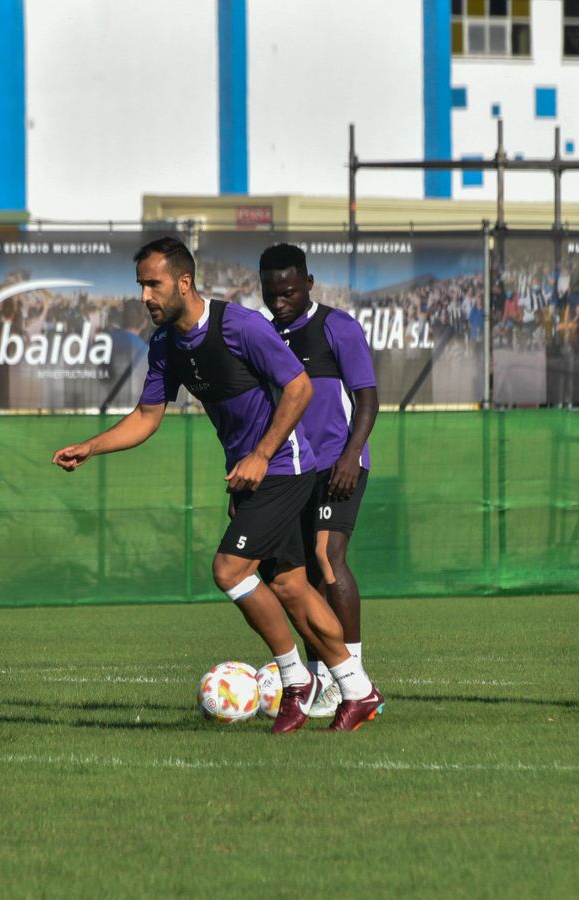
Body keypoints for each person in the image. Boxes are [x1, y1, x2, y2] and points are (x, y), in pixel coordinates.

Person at [52, 237, 384, 733]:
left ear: (183, 283)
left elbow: (300, 388)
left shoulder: (240, 326)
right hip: (250, 475)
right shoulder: (165, 343)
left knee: (230, 570)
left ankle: (296, 682)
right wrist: (91, 447)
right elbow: (147, 416)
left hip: (285, 467)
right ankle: (358, 690)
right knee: (291, 584)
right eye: (140, 284)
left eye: (153, 284)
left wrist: (260, 455)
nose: (144, 295)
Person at [259, 243, 379, 718]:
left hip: (337, 463)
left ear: (308, 283)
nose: (280, 300)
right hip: (291, 471)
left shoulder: (337, 327)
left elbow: (367, 400)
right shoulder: (266, 337)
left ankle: (356, 678)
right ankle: (322, 677)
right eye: (271, 292)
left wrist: (351, 455)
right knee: (300, 577)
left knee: (327, 560)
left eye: (288, 291)